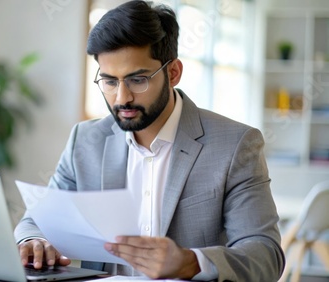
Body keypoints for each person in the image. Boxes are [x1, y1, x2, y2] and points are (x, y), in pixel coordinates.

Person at [14, 1, 285, 281]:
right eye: (109, 81)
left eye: (138, 79)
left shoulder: (236, 145)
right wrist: (32, 241)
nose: (122, 98)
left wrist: (191, 262)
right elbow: (37, 220)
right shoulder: (85, 141)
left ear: (173, 73)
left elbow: (265, 257)